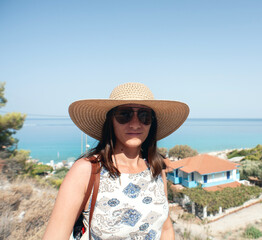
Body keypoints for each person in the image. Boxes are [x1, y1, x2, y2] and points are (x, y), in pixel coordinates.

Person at [43, 82, 189, 240]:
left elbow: (166, 230)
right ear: (110, 121)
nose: (135, 123)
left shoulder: (156, 169)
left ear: (151, 123)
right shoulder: (86, 170)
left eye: (144, 116)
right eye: (124, 115)